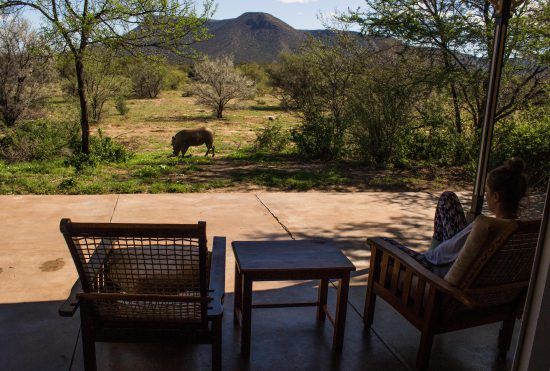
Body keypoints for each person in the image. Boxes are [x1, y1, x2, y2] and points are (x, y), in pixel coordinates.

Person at [387, 158, 528, 276]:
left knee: (384, 244)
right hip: (471, 267)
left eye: (487, 192)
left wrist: (425, 259)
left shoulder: (485, 227)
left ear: (496, 197)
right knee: (447, 198)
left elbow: (442, 255)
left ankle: (429, 251)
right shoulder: (523, 232)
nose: (485, 196)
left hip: (438, 270)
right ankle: (432, 249)